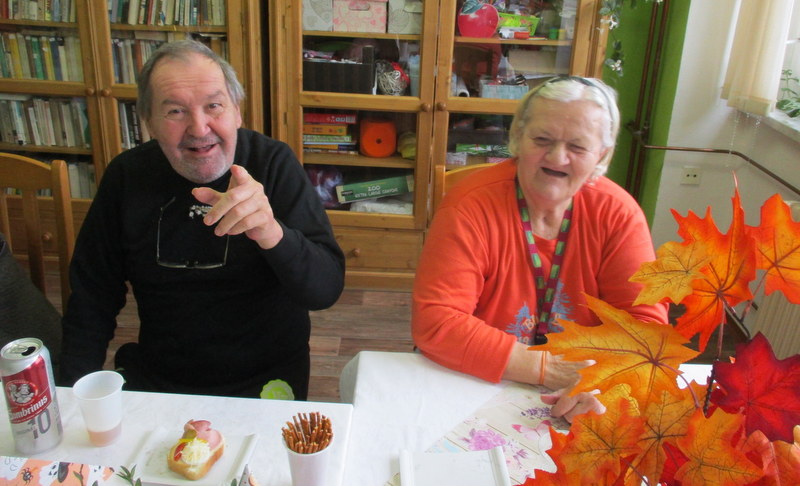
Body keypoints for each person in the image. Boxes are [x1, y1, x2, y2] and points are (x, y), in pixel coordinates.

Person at [59, 40, 345, 400]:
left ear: (236, 112)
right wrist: (69, 398)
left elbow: (324, 290)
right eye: (175, 111)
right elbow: (92, 296)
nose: (198, 128)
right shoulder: (127, 176)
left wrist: (272, 233)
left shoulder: (273, 163)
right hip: (159, 378)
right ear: (149, 122)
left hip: (266, 377)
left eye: (214, 106)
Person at [411, 76, 668, 421]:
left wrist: (603, 382)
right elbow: (437, 322)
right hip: (476, 378)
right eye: (542, 140)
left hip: (580, 388)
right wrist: (547, 367)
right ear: (518, 137)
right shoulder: (470, 205)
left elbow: (645, 327)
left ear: (602, 154)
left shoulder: (619, 214)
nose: (557, 157)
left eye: (577, 147)